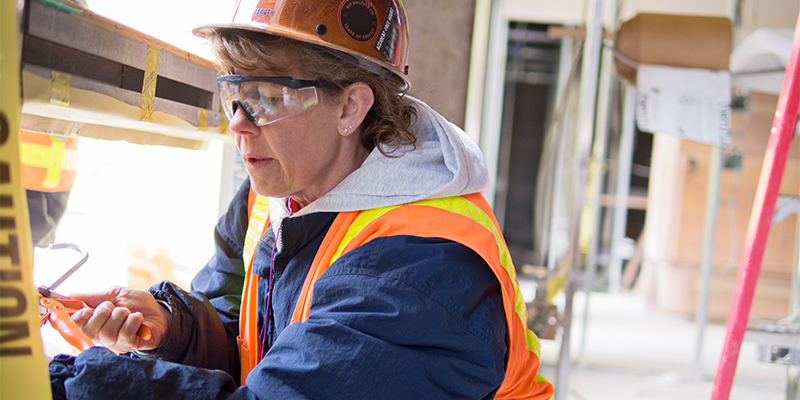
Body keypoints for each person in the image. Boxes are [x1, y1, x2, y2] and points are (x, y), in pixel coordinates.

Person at [53, 1, 554, 399]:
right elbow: (248, 341)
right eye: (234, 92)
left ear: (352, 107)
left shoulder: (419, 268)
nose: (238, 121)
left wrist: (74, 383)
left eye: (269, 97)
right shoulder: (272, 199)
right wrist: (175, 329)